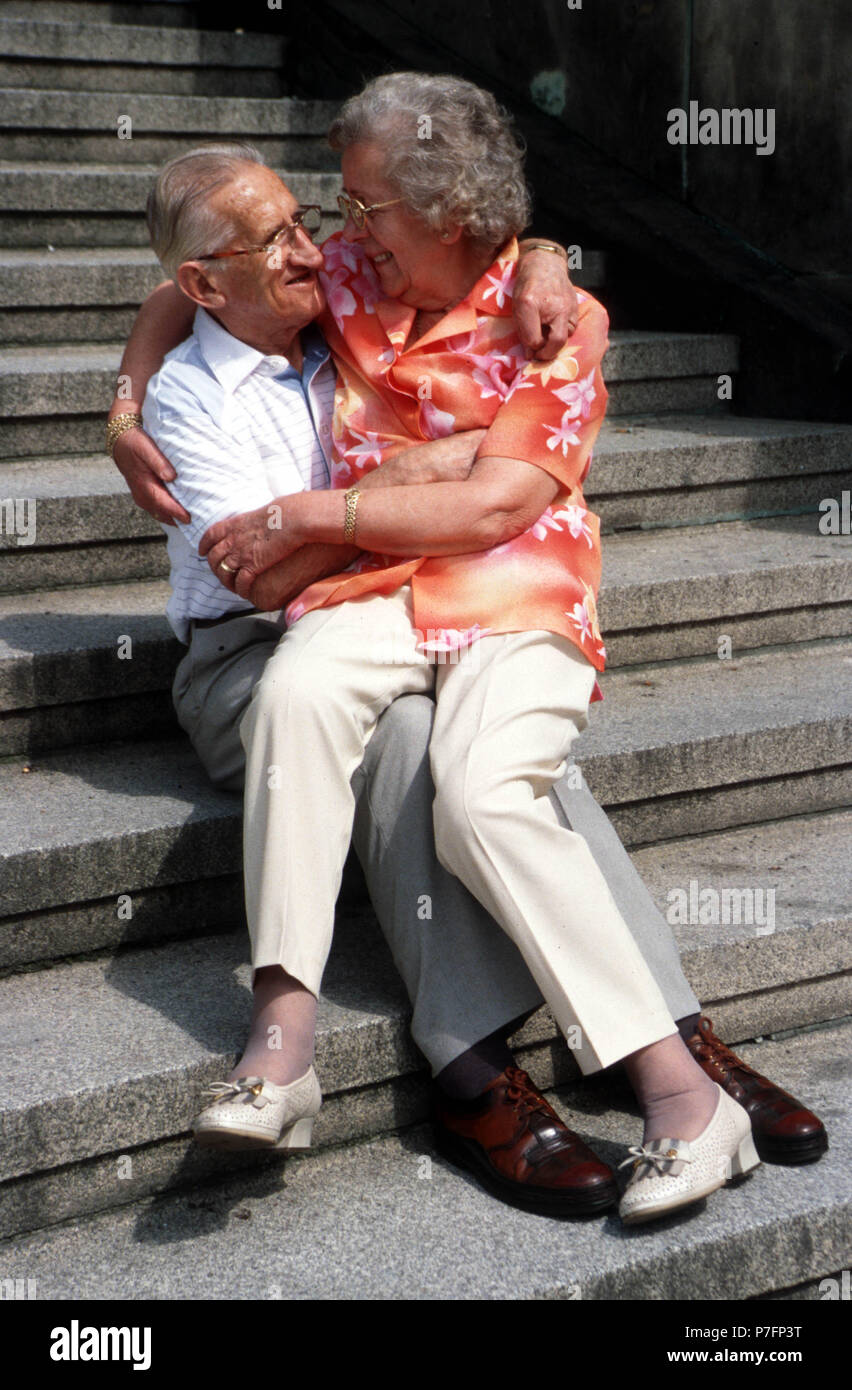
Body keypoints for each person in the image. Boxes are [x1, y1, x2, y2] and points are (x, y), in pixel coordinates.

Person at [110, 80, 827, 1222]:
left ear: (445, 214)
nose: (333, 237)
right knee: (374, 720)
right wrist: (126, 395)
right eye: (326, 214)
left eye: (357, 208)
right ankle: (415, 1053)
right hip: (345, 604)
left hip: (490, 590)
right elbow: (187, 287)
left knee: (497, 787)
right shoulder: (341, 282)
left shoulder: (555, 322)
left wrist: (335, 505)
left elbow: (494, 507)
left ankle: (672, 1059)